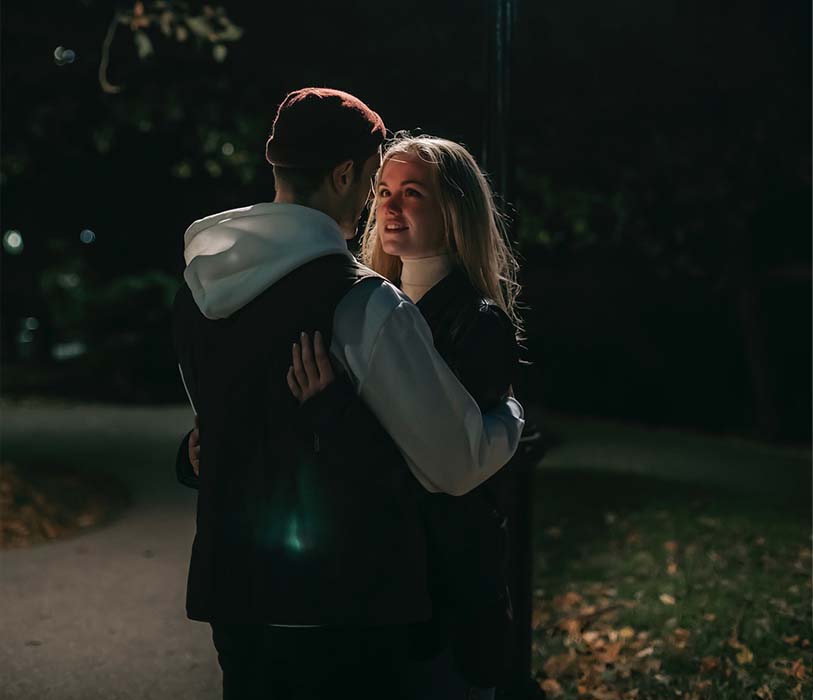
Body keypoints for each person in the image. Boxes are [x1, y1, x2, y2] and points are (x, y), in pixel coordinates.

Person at [173, 88, 525, 700]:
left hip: (233, 590)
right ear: (345, 174)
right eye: (374, 182)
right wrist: (510, 418)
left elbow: (228, 426)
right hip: (341, 603)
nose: (376, 202)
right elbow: (455, 462)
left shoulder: (198, 292)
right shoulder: (362, 302)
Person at [286, 133, 522, 699]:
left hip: (444, 590)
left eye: (411, 192)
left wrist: (334, 414)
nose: (389, 206)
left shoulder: (478, 321)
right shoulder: (364, 307)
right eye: (384, 190)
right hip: (378, 587)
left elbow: (435, 468)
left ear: (454, 209)